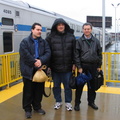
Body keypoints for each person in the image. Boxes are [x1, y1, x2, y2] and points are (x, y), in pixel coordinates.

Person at [19, 23, 51, 119]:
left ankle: (37, 107)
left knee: (39, 90)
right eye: (37, 29)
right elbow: (25, 55)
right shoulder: (24, 42)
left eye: (41, 30)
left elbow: (48, 53)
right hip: (29, 70)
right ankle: (27, 109)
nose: (40, 31)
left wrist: (41, 61)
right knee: (28, 91)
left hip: (40, 70)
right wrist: (35, 63)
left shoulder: (44, 42)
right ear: (32, 30)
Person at [46, 18, 76, 111]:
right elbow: (47, 52)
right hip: (55, 68)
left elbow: (75, 51)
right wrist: (48, 66)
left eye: (62, 25)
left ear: (65, 26)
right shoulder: (50, 38)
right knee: (56, 86)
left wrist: (75, 63)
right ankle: (58, 101)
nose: (61, 26)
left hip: (67, 67)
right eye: (59, 25)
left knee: (68, 86)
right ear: (56, 26)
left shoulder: (71, 37)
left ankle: (68, 102)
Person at [74, 22, 102, 111]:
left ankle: (91, 102)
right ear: (83, 30)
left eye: (88, 29)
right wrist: (79, 67)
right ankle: (77, 103)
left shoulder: (96, 41)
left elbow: (99, 54)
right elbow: (76, 55)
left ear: (91, 30)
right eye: (85, 29)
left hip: (93, 67)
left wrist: (99, 65)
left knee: (92, 87)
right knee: (80, 87)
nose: (87, 30)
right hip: (83, 67)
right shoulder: (79, 41)